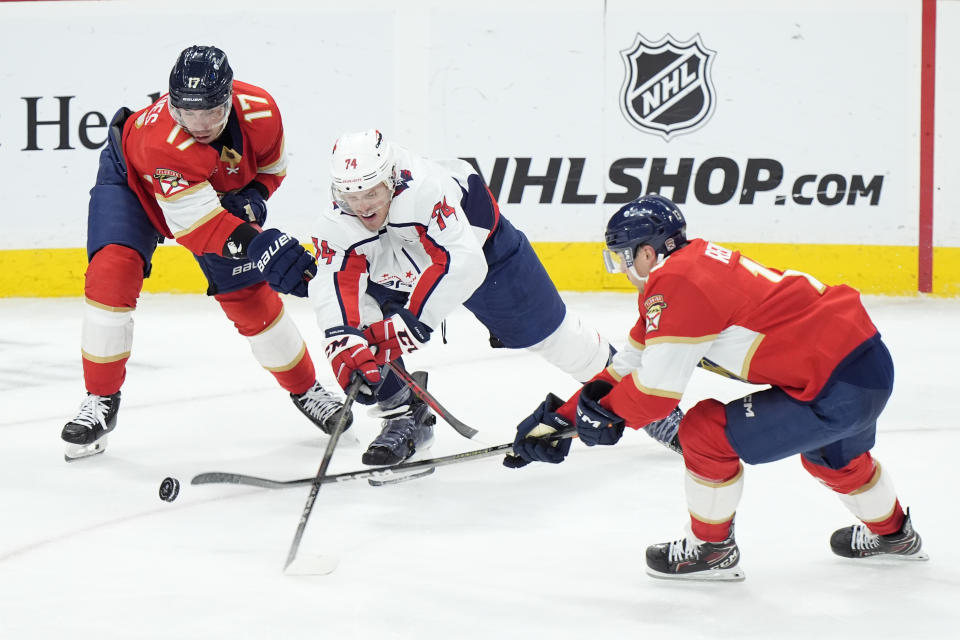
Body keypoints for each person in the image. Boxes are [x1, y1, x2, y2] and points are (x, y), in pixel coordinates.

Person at [509, 193, 927, 581]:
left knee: (703, 433)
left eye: (623, 258)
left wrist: (602, 419)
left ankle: (710, 550)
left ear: (648, 252)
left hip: (833, 386)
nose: (622, 270)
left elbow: (655, 394)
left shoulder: (675, 285)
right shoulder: (690, 267)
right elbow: (628, 366)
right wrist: (561, 419)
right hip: (866, 365)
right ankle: (895, 535)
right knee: (832, 458)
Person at [60, 45, 349, 461]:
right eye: (185, 113)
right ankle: (100, 401)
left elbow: (271, 170)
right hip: (131, 184)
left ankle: (307, 390)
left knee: (250, 298)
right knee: (110, 274)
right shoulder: (160, 141)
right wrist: (261, 245)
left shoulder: (262, 113)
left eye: (209, 113)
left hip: (210, 194)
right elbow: (199, 230)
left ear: (229, 99)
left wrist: (253, 199)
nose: (197, 125)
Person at [309, 129, 616, 466]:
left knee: (558, 339)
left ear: (391, 179)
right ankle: (403, 416)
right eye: (350, 196)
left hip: (486, 255)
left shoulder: (424, 190)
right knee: (358, 323)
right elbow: (334, 281)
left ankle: (633, 391)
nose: (361, 207)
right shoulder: (338, 219)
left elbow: (463, 262)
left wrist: (411, 324)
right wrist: (342, 339)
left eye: (370, 194)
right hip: (399, 265)